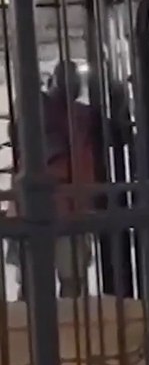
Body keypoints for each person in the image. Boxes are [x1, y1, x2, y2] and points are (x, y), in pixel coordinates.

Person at [7, 60, 98, 299]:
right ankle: (38, 321)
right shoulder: (39, 109)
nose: (71, 83)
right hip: (45, 205)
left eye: (74, 78)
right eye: (65, 77)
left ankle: (50, 321)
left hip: (68, 206)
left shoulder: (82, 115)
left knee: (68, 280)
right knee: (39, 282)